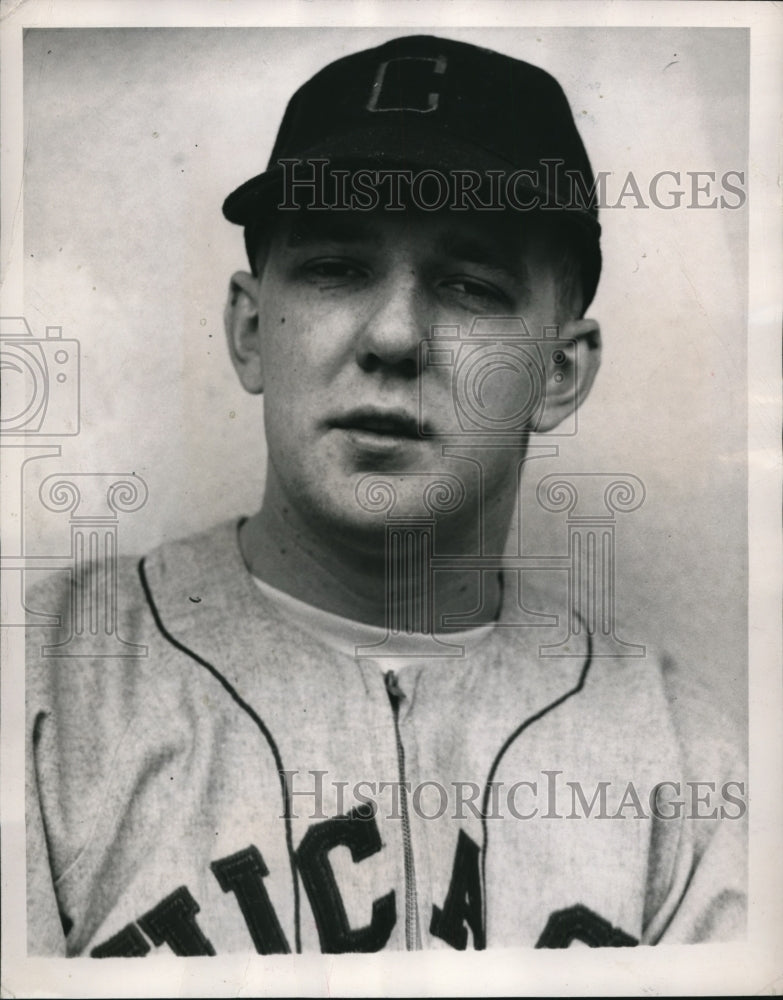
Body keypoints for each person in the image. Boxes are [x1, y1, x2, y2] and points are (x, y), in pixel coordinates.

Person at [26, 34, 746, 956]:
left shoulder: (684, 764)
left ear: (558, 374)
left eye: (469, 284)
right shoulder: (43, 689)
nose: (396, 335)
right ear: (251, 330)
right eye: (335, 268)